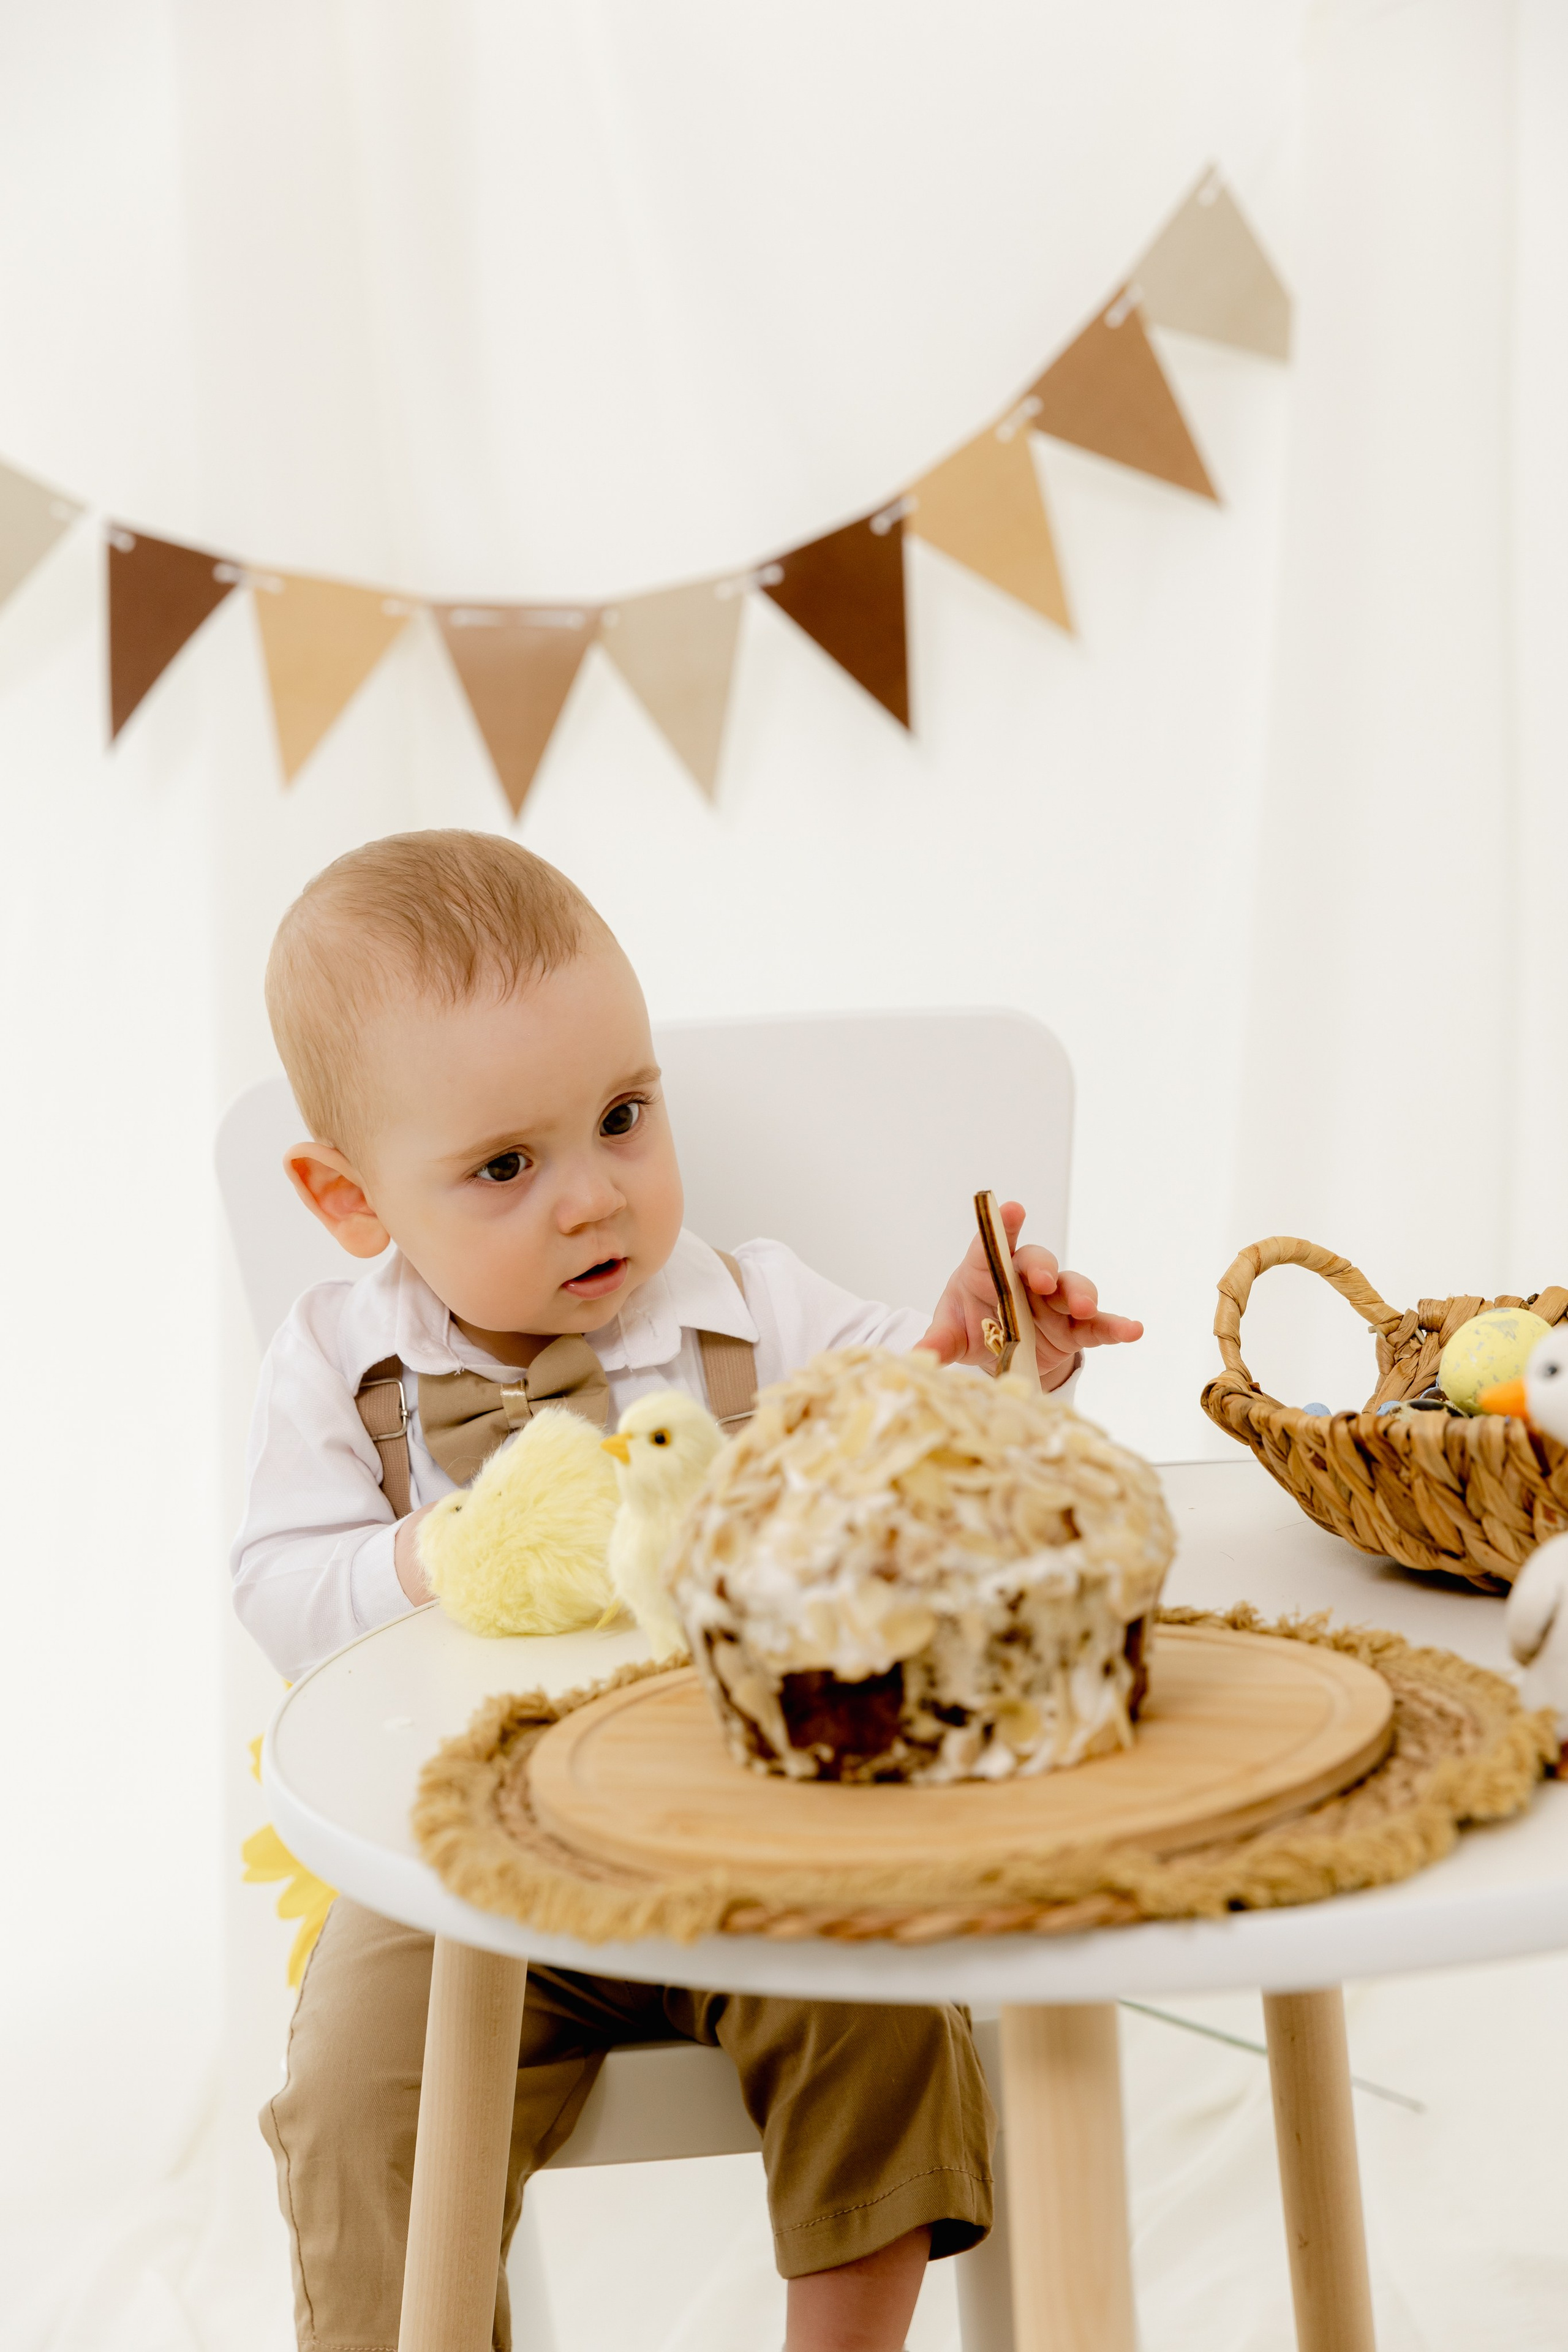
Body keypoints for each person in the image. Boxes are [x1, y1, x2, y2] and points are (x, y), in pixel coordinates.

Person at [234, 828, 1142, 2352]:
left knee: (884, 2017)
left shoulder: (745, 1310)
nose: (593, 1198)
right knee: (347, 2101)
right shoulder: (346, 1365)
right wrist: (440, 1552)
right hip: (461, 1879)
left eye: (622, 1117)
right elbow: (274, 1589)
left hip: (750, 1827)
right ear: (349, 1198)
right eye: (509, 1166)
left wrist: (981, 1349)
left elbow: (895, 1416)